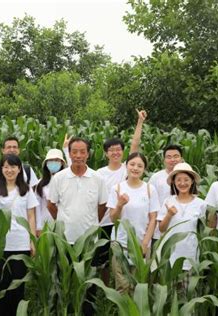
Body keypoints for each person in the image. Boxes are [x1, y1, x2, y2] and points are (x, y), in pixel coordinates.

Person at [47, 137, 108, 315]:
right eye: (75, 152)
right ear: (70, 153)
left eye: (83, 152)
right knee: (65, 280)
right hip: (65, 240)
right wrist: (64, 222)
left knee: (88, 283)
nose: (78, 155)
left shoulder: (97, 178)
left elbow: (102, 206)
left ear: (88, 154)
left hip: (89, 241)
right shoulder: (59, 178)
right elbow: (51, 205)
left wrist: (90, 223)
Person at [95, 109, 147, 281]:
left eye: (118, 150)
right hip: (104, 221)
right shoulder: (99, 173)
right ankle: (106, 288)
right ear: (106, 153)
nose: (115, 153)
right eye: (111, 150)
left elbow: (135, 145)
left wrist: (140, 121)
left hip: (124, 222)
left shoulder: (128, 167)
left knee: (122, 257)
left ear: (123, 152)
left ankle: (121, 285)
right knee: (102, 260)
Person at [107, 152, 159, 294]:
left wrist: (144, 243)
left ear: (144, 169)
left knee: (139, 287)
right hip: (120, 245)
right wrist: (119, 205)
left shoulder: (149, 189)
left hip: (141, 246)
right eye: (132, 164)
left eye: (140, 166)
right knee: (122, 287)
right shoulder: (117, 189)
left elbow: (153, 218)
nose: (135, 168)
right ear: (126, 166)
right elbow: (113, 219)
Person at [0, 154, 38, 315]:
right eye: (5, 167)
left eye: (13, 167)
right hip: (2, 243)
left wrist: (33, 241)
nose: (9, 170)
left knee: (18, 284)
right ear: (1, 169)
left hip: (21, 243)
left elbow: (31, 216)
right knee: (2, 284)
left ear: (19, 169)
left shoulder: (26, 191)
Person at [157, 163, 207, 282]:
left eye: (186, 179)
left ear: (192, 182)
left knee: (189, 292)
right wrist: (169, 215)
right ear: (174, 182)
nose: (182, 183)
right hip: (171, 256)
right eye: (178, 180)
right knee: (172, 293)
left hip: (191, 255)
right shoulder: (168, 201)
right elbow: (161, 229)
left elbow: (204, 231)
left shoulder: (201, 204)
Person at [148, 144, 184, 245]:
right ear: (164, 160)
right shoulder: (156, 178)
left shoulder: (188, 178)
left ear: (181, 159)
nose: (173, 159)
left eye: (176, 156)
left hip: (182, 229)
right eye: (169, 157)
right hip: (159, 230)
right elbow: (149, 204)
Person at [34, 148, 66, 236]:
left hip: (63, 225)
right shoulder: (40, 184)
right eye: (50, 160)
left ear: (62, 163)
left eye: (56, 160)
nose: (53, 163)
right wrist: (38, 227)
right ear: (46, 164)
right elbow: (37, 207)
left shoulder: (66, 181)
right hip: (45, 225)